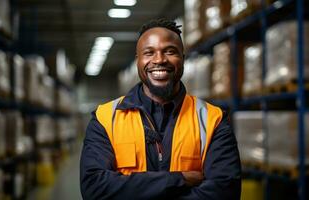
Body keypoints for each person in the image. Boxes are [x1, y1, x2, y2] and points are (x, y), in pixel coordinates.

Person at [80, 18, 241, 200]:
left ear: (182, 58)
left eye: (170, 51)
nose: (159, 60)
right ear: (138, 61)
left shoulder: (213, 120)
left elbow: (224, 192)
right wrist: (178, 179)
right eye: (149, 53)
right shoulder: (106, 118)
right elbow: (94, 188)